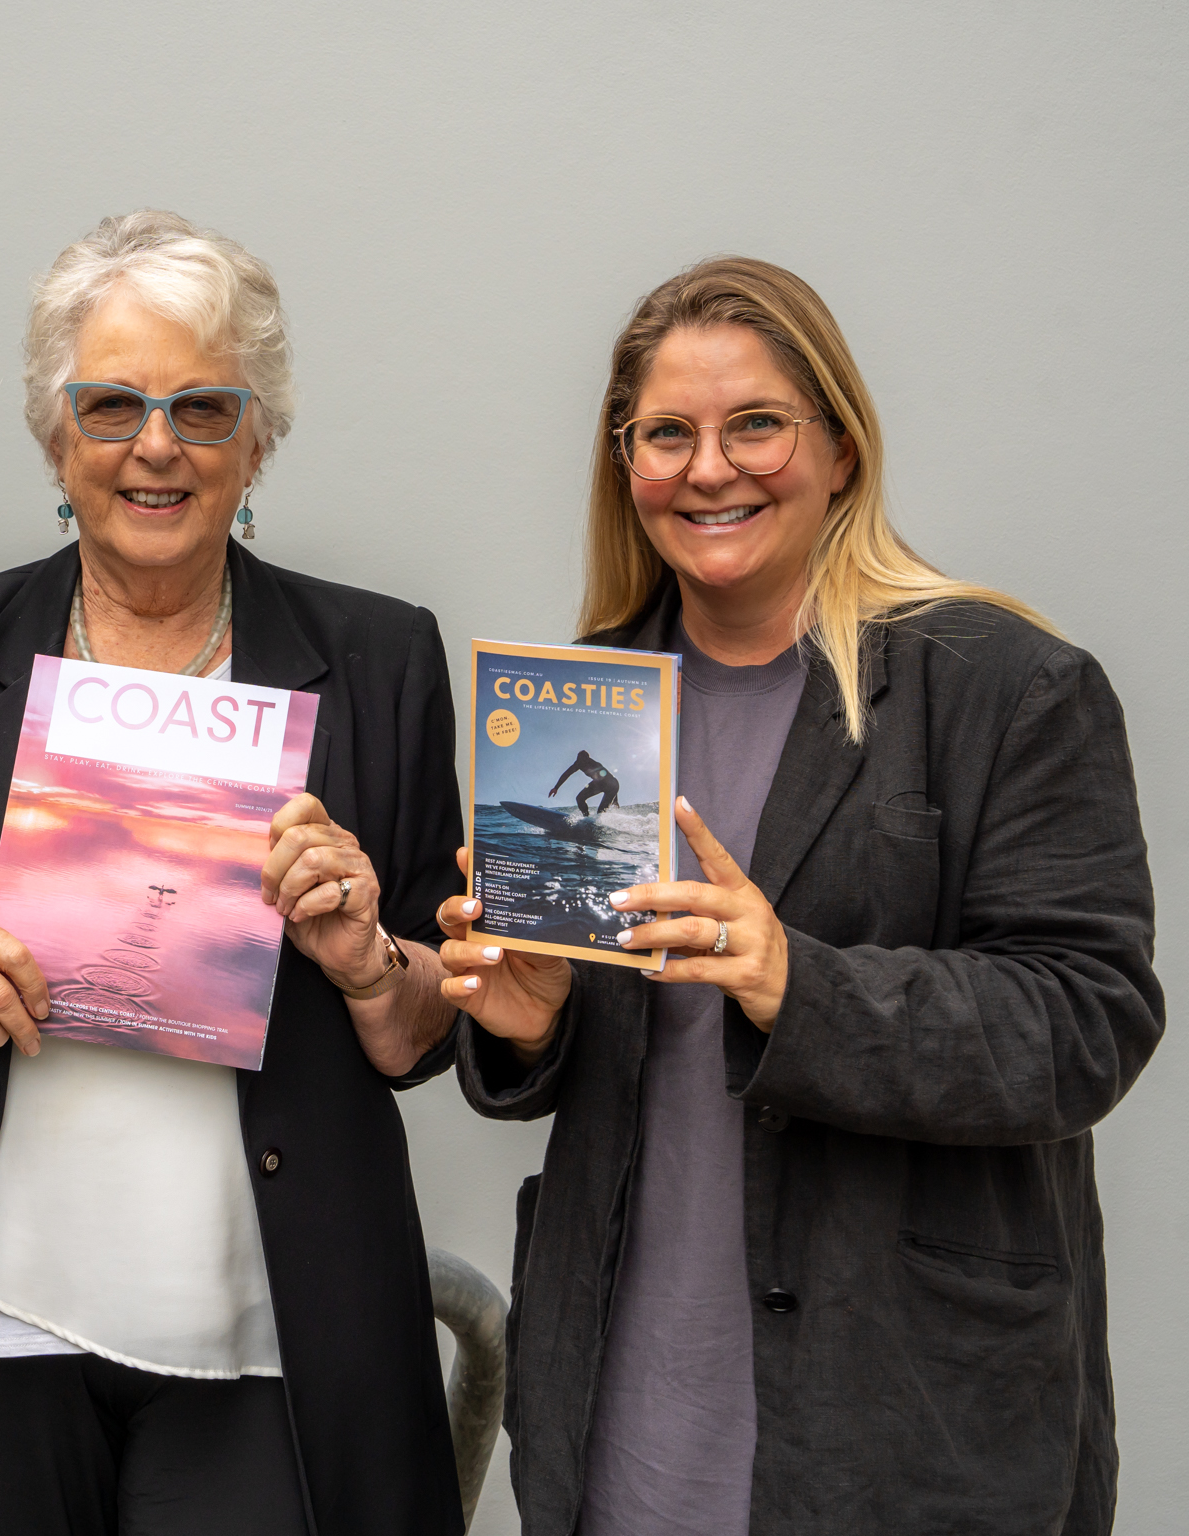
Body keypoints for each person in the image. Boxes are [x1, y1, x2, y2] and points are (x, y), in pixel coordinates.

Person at [440, 257, 1162, 1535]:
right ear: (625, 463)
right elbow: (587, 1060)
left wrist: (797, 984)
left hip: (901, 1414)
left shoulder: (1004, 687)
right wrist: (526, 1023)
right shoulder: (579, 700)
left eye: (756, 425)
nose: (708, 469)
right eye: (665, 433)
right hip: (622, 1404)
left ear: (839, 447)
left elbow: (1085, 1021)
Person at [0, 211, 472, 1536]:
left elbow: (422, 1034)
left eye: (202, 407)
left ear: (257, 440)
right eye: (112, 406)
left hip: (269, 1342)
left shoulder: (378, 662)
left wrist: (369, 962)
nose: (156, 445)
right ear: (57, 436)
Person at [549, 749, 620, 815]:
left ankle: (598, 821)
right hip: (599, 784)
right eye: (579, 759)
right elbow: (566, 774)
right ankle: (586, 818)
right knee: (580, 798)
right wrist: (556, 787)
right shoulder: (578, 764)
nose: (582, 762)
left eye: (584, 760)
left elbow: (611, 780)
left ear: (588, 759)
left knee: (600, 812)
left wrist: (615, 799)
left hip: (611, 786)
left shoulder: (596, 765)